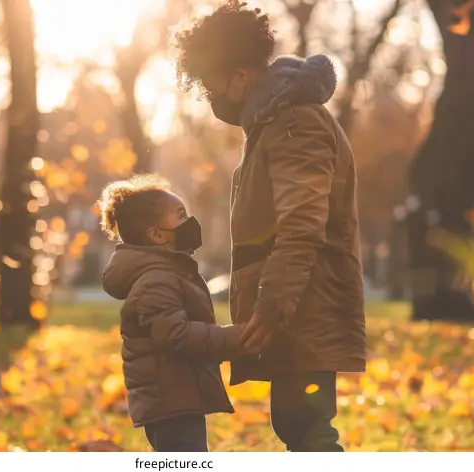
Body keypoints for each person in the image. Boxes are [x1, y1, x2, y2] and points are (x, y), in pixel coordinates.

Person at [174, 1, 366, 452]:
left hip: (305, 304)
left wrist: (273, 303)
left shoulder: (294, 123)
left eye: (210, 84)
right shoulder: (273, 124)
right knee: (296, 424)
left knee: (306, 426)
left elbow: (301, 225)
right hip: (297, 303)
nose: (209, 96)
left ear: (240, 77)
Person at [99, 175, 252, 452]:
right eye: (181, 215)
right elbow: (176, 335)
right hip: (170, 402)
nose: (189, 222)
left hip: (176, 397)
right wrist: (237, 338)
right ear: (156, 234)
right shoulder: (156, 279)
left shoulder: (167, 273)